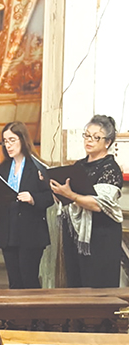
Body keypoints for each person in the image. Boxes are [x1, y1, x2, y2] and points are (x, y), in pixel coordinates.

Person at [51, 115, 123, 288]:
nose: (89, 140)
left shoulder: (110, 169)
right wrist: (56, 190)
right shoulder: (79, 165)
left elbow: (98, 204)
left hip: (100, 237)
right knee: (76, 282)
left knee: (97, 285)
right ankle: (77, 315)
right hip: (76, 235)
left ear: (108, 142)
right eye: (87, 135)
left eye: (96, 137)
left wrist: (70, 195)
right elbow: (69, 196)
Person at [0, 121, 53, 289]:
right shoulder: (4, 167)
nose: (8, 145)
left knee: (29, 278)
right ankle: (16, 315)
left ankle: (33, 315)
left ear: (23, 139)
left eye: (12, 140)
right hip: (9, 231)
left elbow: (50, 196)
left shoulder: (37, 166)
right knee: (14, 280)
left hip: (30, 232)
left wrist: (33, 198)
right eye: (5, 141)